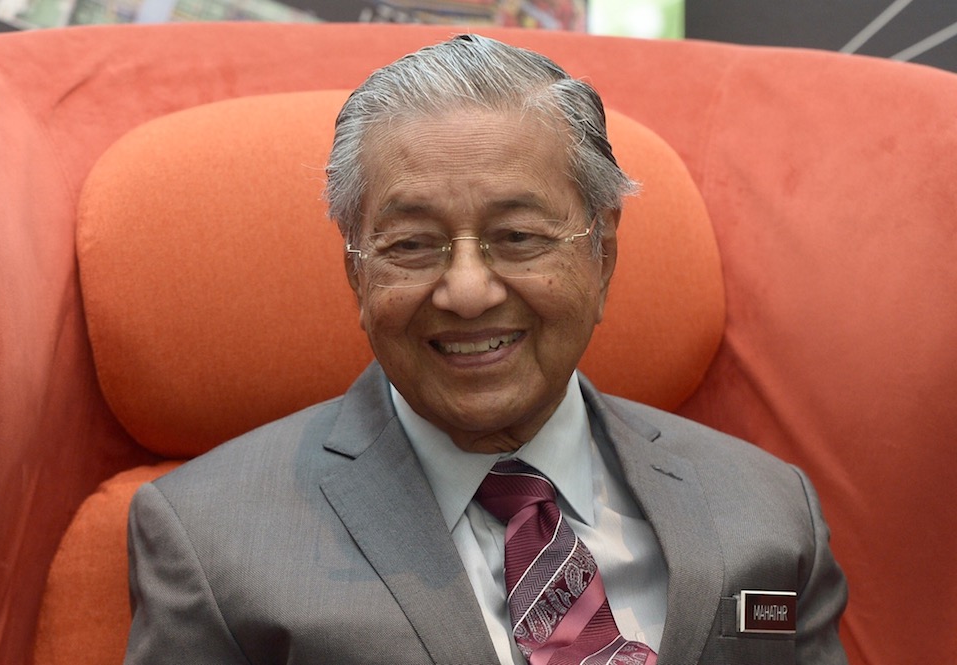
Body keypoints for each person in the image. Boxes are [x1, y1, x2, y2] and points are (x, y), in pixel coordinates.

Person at [124, 34, 848, 664]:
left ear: (603, 255)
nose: (467, 291)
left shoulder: (769, 510)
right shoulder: (210, 541)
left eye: (519, 237)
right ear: (357, 274)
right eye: (410, 244)